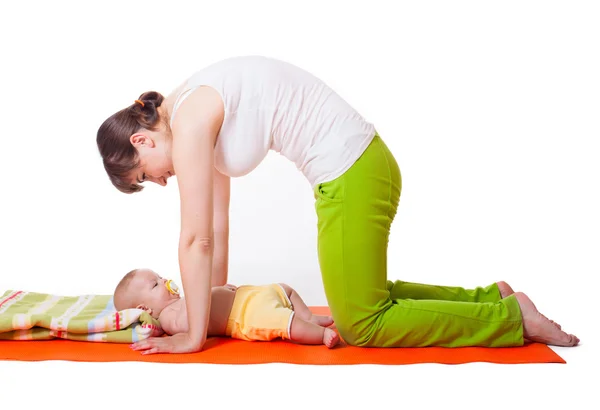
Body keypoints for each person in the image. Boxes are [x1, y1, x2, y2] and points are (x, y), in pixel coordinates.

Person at [96, 55, 579, 353]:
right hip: (359, 167)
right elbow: (216, 227)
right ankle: (491, 298)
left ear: (141, 140)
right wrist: (213, 311)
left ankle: (512, 320)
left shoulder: (189, 121)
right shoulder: (191, 110)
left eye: (145, 176)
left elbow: (194, 238)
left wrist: (191, 336)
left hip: (352, 173)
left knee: (362, 324)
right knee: (368, 296)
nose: (160, 182)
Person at [113, 268, 340, 352]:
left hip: (246, 295)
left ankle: (309, 316)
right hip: (245, 316)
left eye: (160, 277)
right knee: (285, 322)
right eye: (156, 284)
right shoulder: (169, 317)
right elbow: (189, 323)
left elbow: (206, 299)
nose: (164, 281)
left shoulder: (177, 301)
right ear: (145, 308)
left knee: (285, 289)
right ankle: (319, 335)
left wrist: (219, 288)